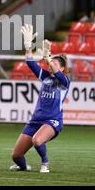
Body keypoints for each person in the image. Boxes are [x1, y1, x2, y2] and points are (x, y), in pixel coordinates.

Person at [10, 24, 70, 173]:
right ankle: (23, 167)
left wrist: (48, 58)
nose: (50, 66)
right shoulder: (45, 77)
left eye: (54, 64)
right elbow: (30, 63)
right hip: (36, 120)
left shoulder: (64, 81)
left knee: (37, 140)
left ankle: (45, 163)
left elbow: (57, 72)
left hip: (52, 121)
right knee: (16, 156)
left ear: (62, 68)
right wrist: (28, 46)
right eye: (50, 64)